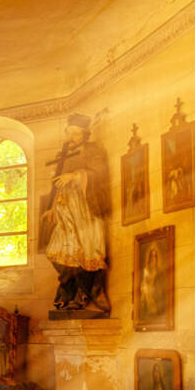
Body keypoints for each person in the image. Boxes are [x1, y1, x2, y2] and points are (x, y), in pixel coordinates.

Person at [41, 113, 110, 313]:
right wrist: (52, 209)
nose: (72, 138)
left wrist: (75, 175)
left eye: (77, 134)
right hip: (65, 210)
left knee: (83, 251)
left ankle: (81, 294)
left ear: (85, 135)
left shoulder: (93, 151)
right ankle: (69, 289)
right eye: (69, 134)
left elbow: (100, 174)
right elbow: (55, 186)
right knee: (58, 253)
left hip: (86, 210)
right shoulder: (62, 154)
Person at [137, 243, 165, 322]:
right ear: (149, 257)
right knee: (145, 290)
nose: (153, 258)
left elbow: (159, 285)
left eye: (154, 256)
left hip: (154, 291)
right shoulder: (145, 270)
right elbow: (143, 282)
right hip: (146, 291)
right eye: (152, 256)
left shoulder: (158, 271)